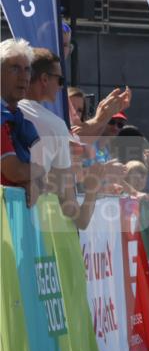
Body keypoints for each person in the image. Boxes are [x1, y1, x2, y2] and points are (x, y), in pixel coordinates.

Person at [19, 45, 102, 228]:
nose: (61, 86)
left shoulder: (6, 109)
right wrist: (92, 189)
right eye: (60, 79)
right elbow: (73, 212)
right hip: (33, 231)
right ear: (44, 79)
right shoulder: (55, 125)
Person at [1, 39, 44, 202]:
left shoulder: (16, 117)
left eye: (27, 70)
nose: (24, 76)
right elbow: (15, 171)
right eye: (15, 68)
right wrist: (39, 171)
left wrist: (31, 179)